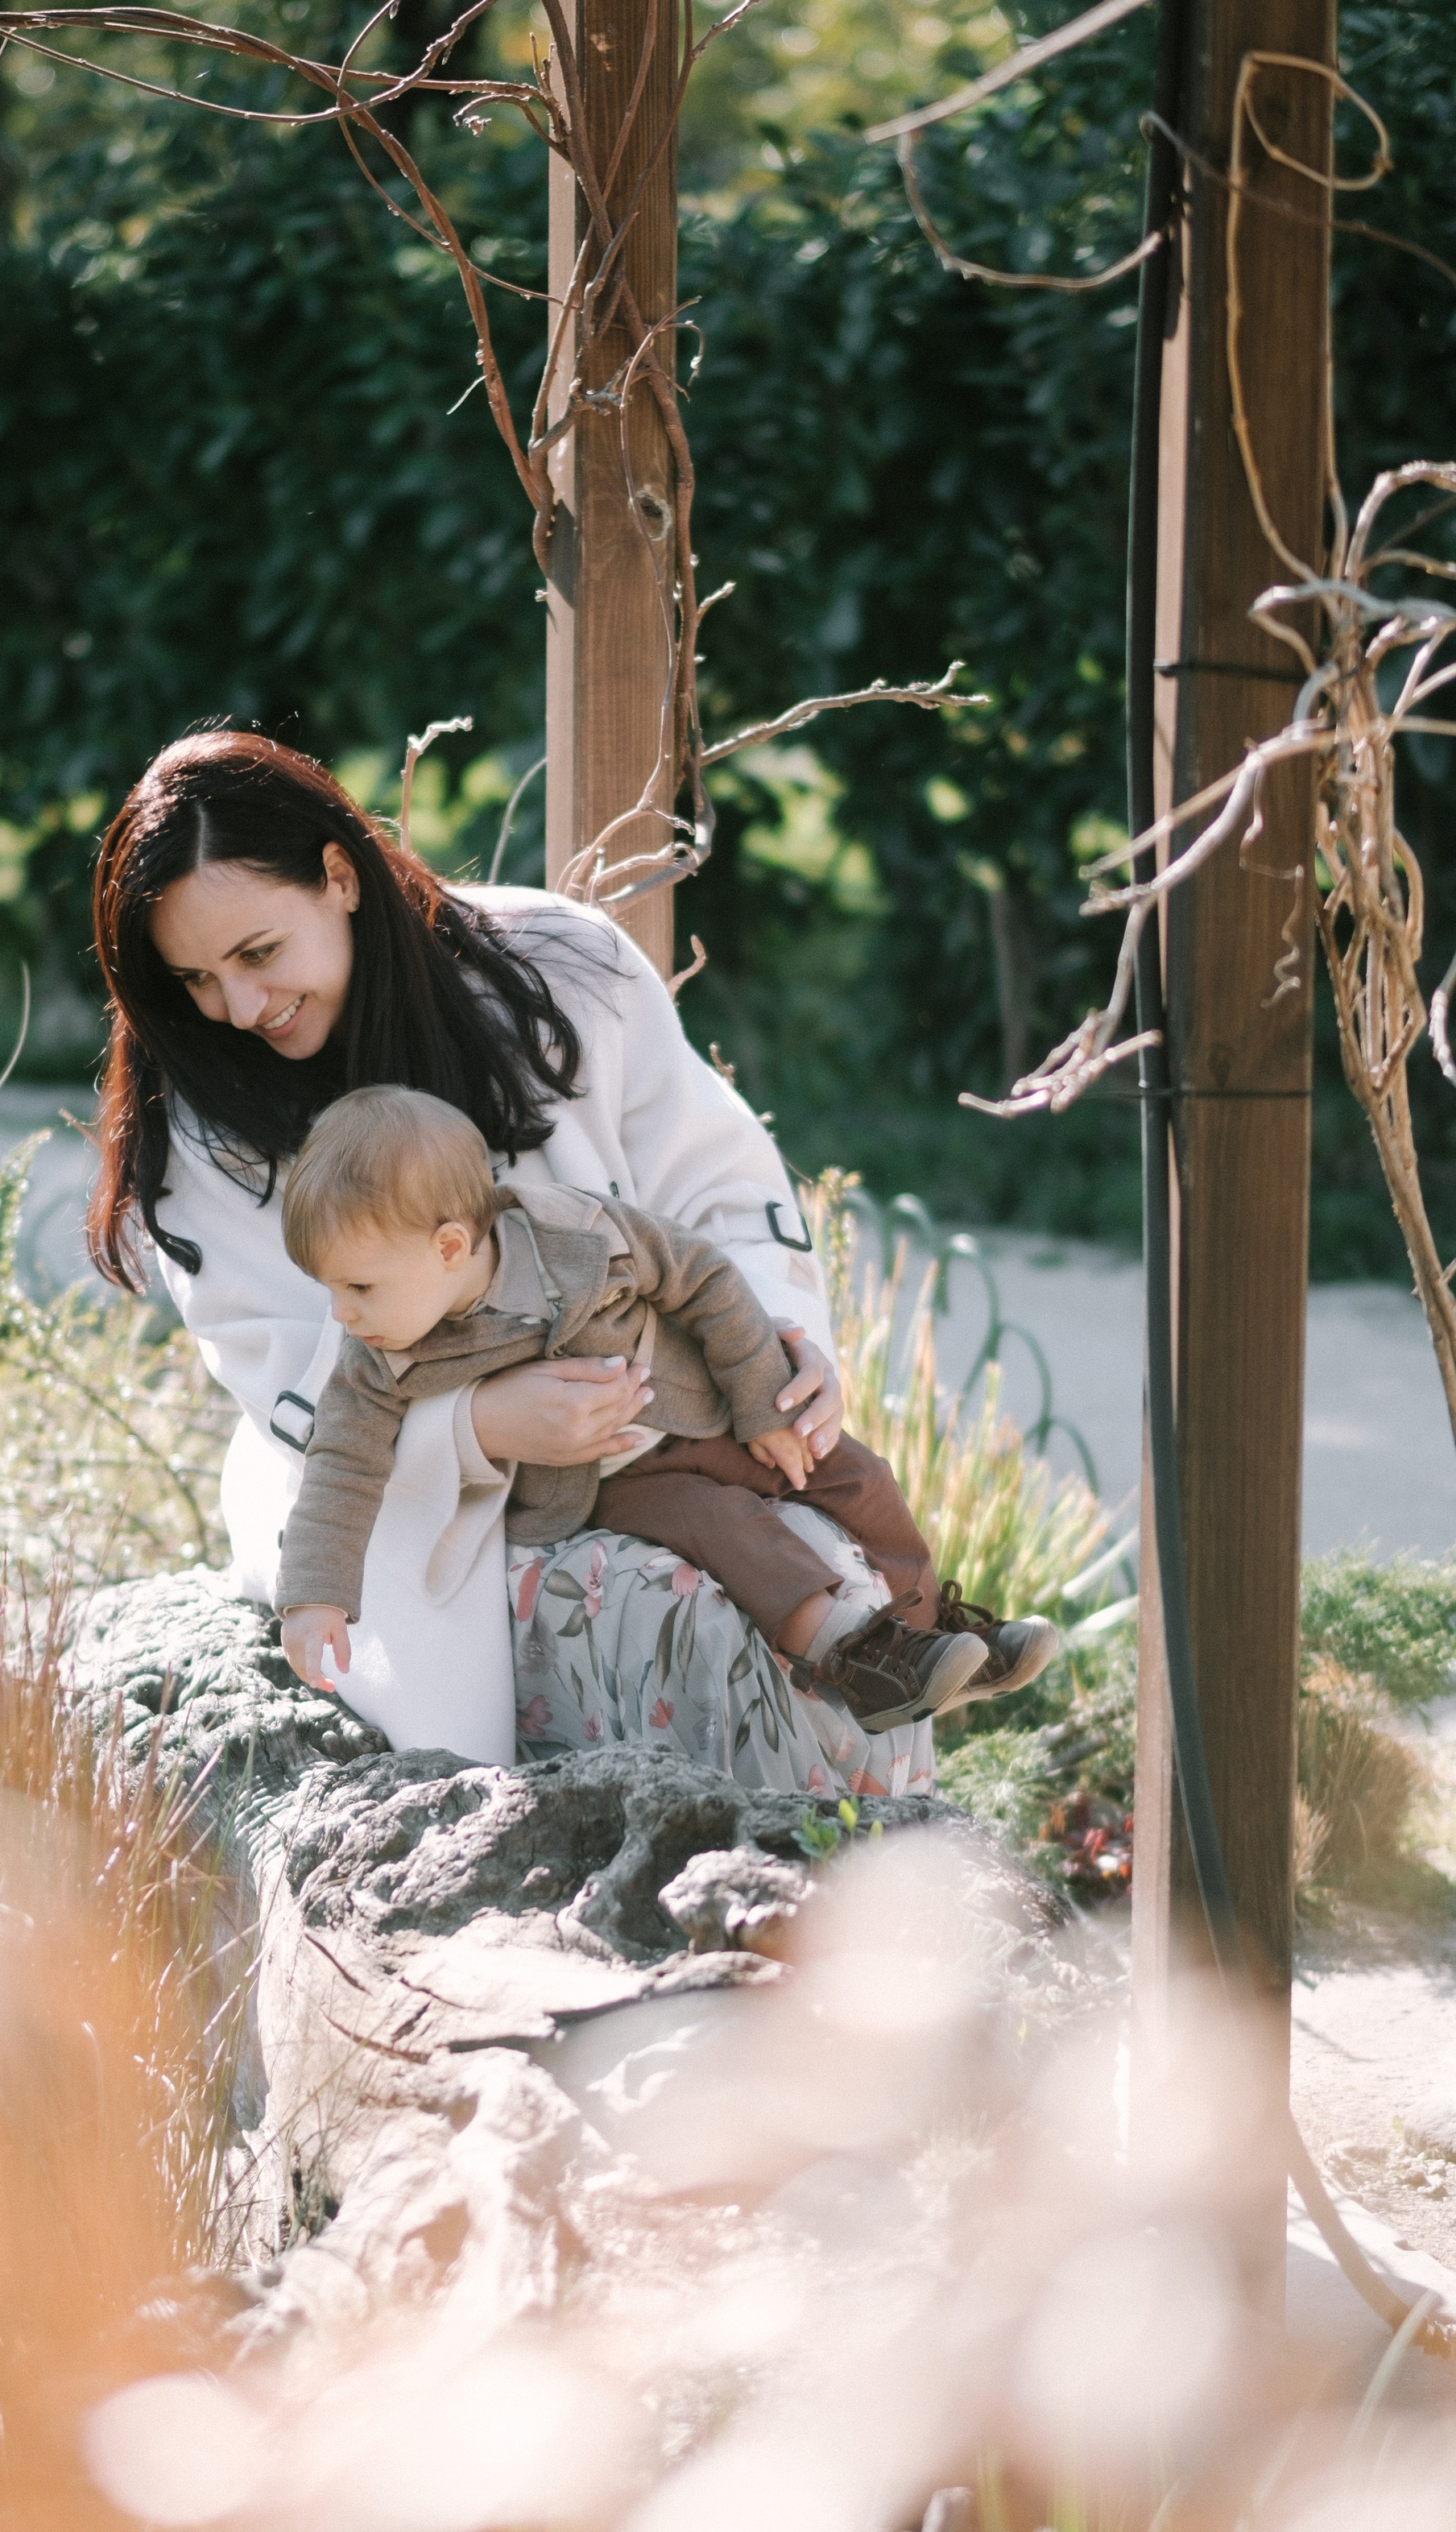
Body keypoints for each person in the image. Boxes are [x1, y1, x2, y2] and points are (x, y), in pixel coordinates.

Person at [85, 727, 904, 1771]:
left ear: (339, 876)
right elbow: (284, 1367)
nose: (240, 1009)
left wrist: (782, 1345)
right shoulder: (202, 1111)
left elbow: (712, 1180)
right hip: (400, 1494)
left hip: (662, 1415)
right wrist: (476, 1425)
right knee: (671, 1618)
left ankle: (877, 1876)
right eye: (196, 979)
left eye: (258, 954)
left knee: (841, 1565)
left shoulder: (560, 966)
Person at [267, 1086, 1055, 1729]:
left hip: (706, 1409)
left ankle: (934, 1639)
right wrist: (315, 1594)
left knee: (857, 1477)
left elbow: (702, 1276)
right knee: (723, 1526)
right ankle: (857, 1663)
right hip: (607, 1478)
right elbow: (341, 1459)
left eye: (358, 1287)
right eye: (332, 1289)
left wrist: (760, 1404)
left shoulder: (578, 1234)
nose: (342, 1314)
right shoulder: (380, 1355)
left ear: (447, 1247)